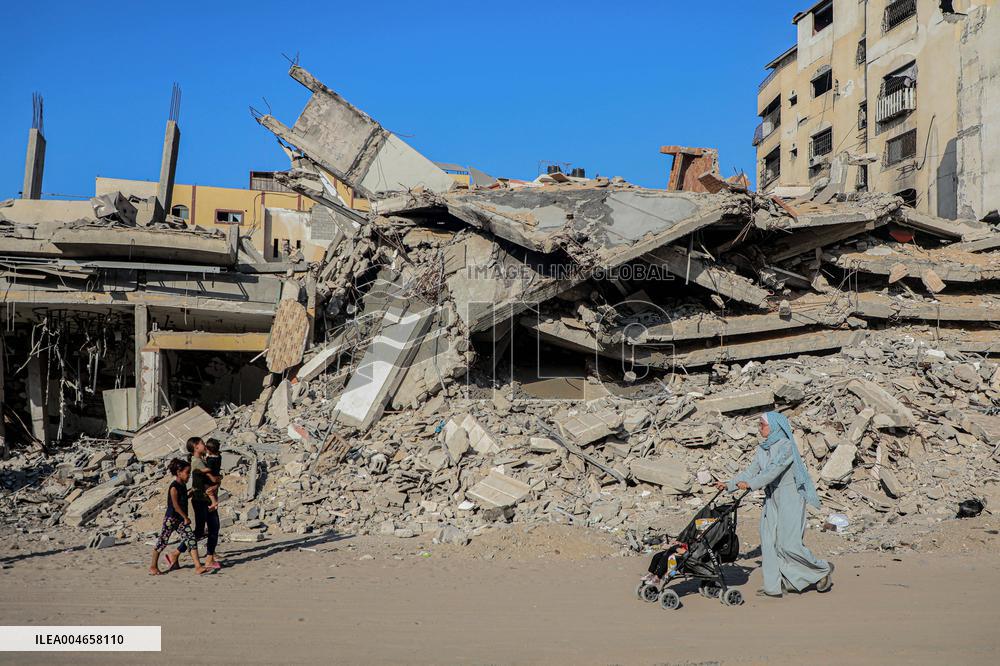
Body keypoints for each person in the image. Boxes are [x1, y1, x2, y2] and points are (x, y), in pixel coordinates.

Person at [716, 411, 834, 598]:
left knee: (788, 544)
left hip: (790, 497)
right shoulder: (762, 449)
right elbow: (750, 472)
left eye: (762, 425)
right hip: (772, 498)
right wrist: (729, 484)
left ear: (775, 427)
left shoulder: (786, 447)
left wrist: (752, 484)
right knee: (769, 541)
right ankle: (774, 585)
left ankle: (822, 569)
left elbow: (772, 471)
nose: (759, 428)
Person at [150, 458, 207, 575]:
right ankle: (153, 566)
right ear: (179, 473)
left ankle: (197, 566)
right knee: (162, 542)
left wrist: (189, 494)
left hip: (180, 519)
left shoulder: (182, 486)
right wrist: (185, 517)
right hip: (171, 519)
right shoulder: (174, 487)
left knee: (190, 538)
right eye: (187, 473)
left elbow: (182, 499)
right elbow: (175, 505)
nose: (188, 476)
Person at [185, 437, 222, 571]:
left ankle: (209, 557)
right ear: (195, 447)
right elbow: (212, 477)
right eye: (201, 443)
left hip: (203, 498)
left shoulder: (201, 460)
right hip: (202, 499)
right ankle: (207, 558)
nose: (204, 444)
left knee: (206, 529)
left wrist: (217, 481)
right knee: (210, 528)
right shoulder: (197, 462)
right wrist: (218, 480)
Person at [203, 439, 223, 511]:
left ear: (209, 450)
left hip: (211, 479)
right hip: (217, 475)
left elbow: (208, 469)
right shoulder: (219, 456)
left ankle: (214, 503)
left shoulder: (211, 460)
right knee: (213, 491)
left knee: (209, 491)